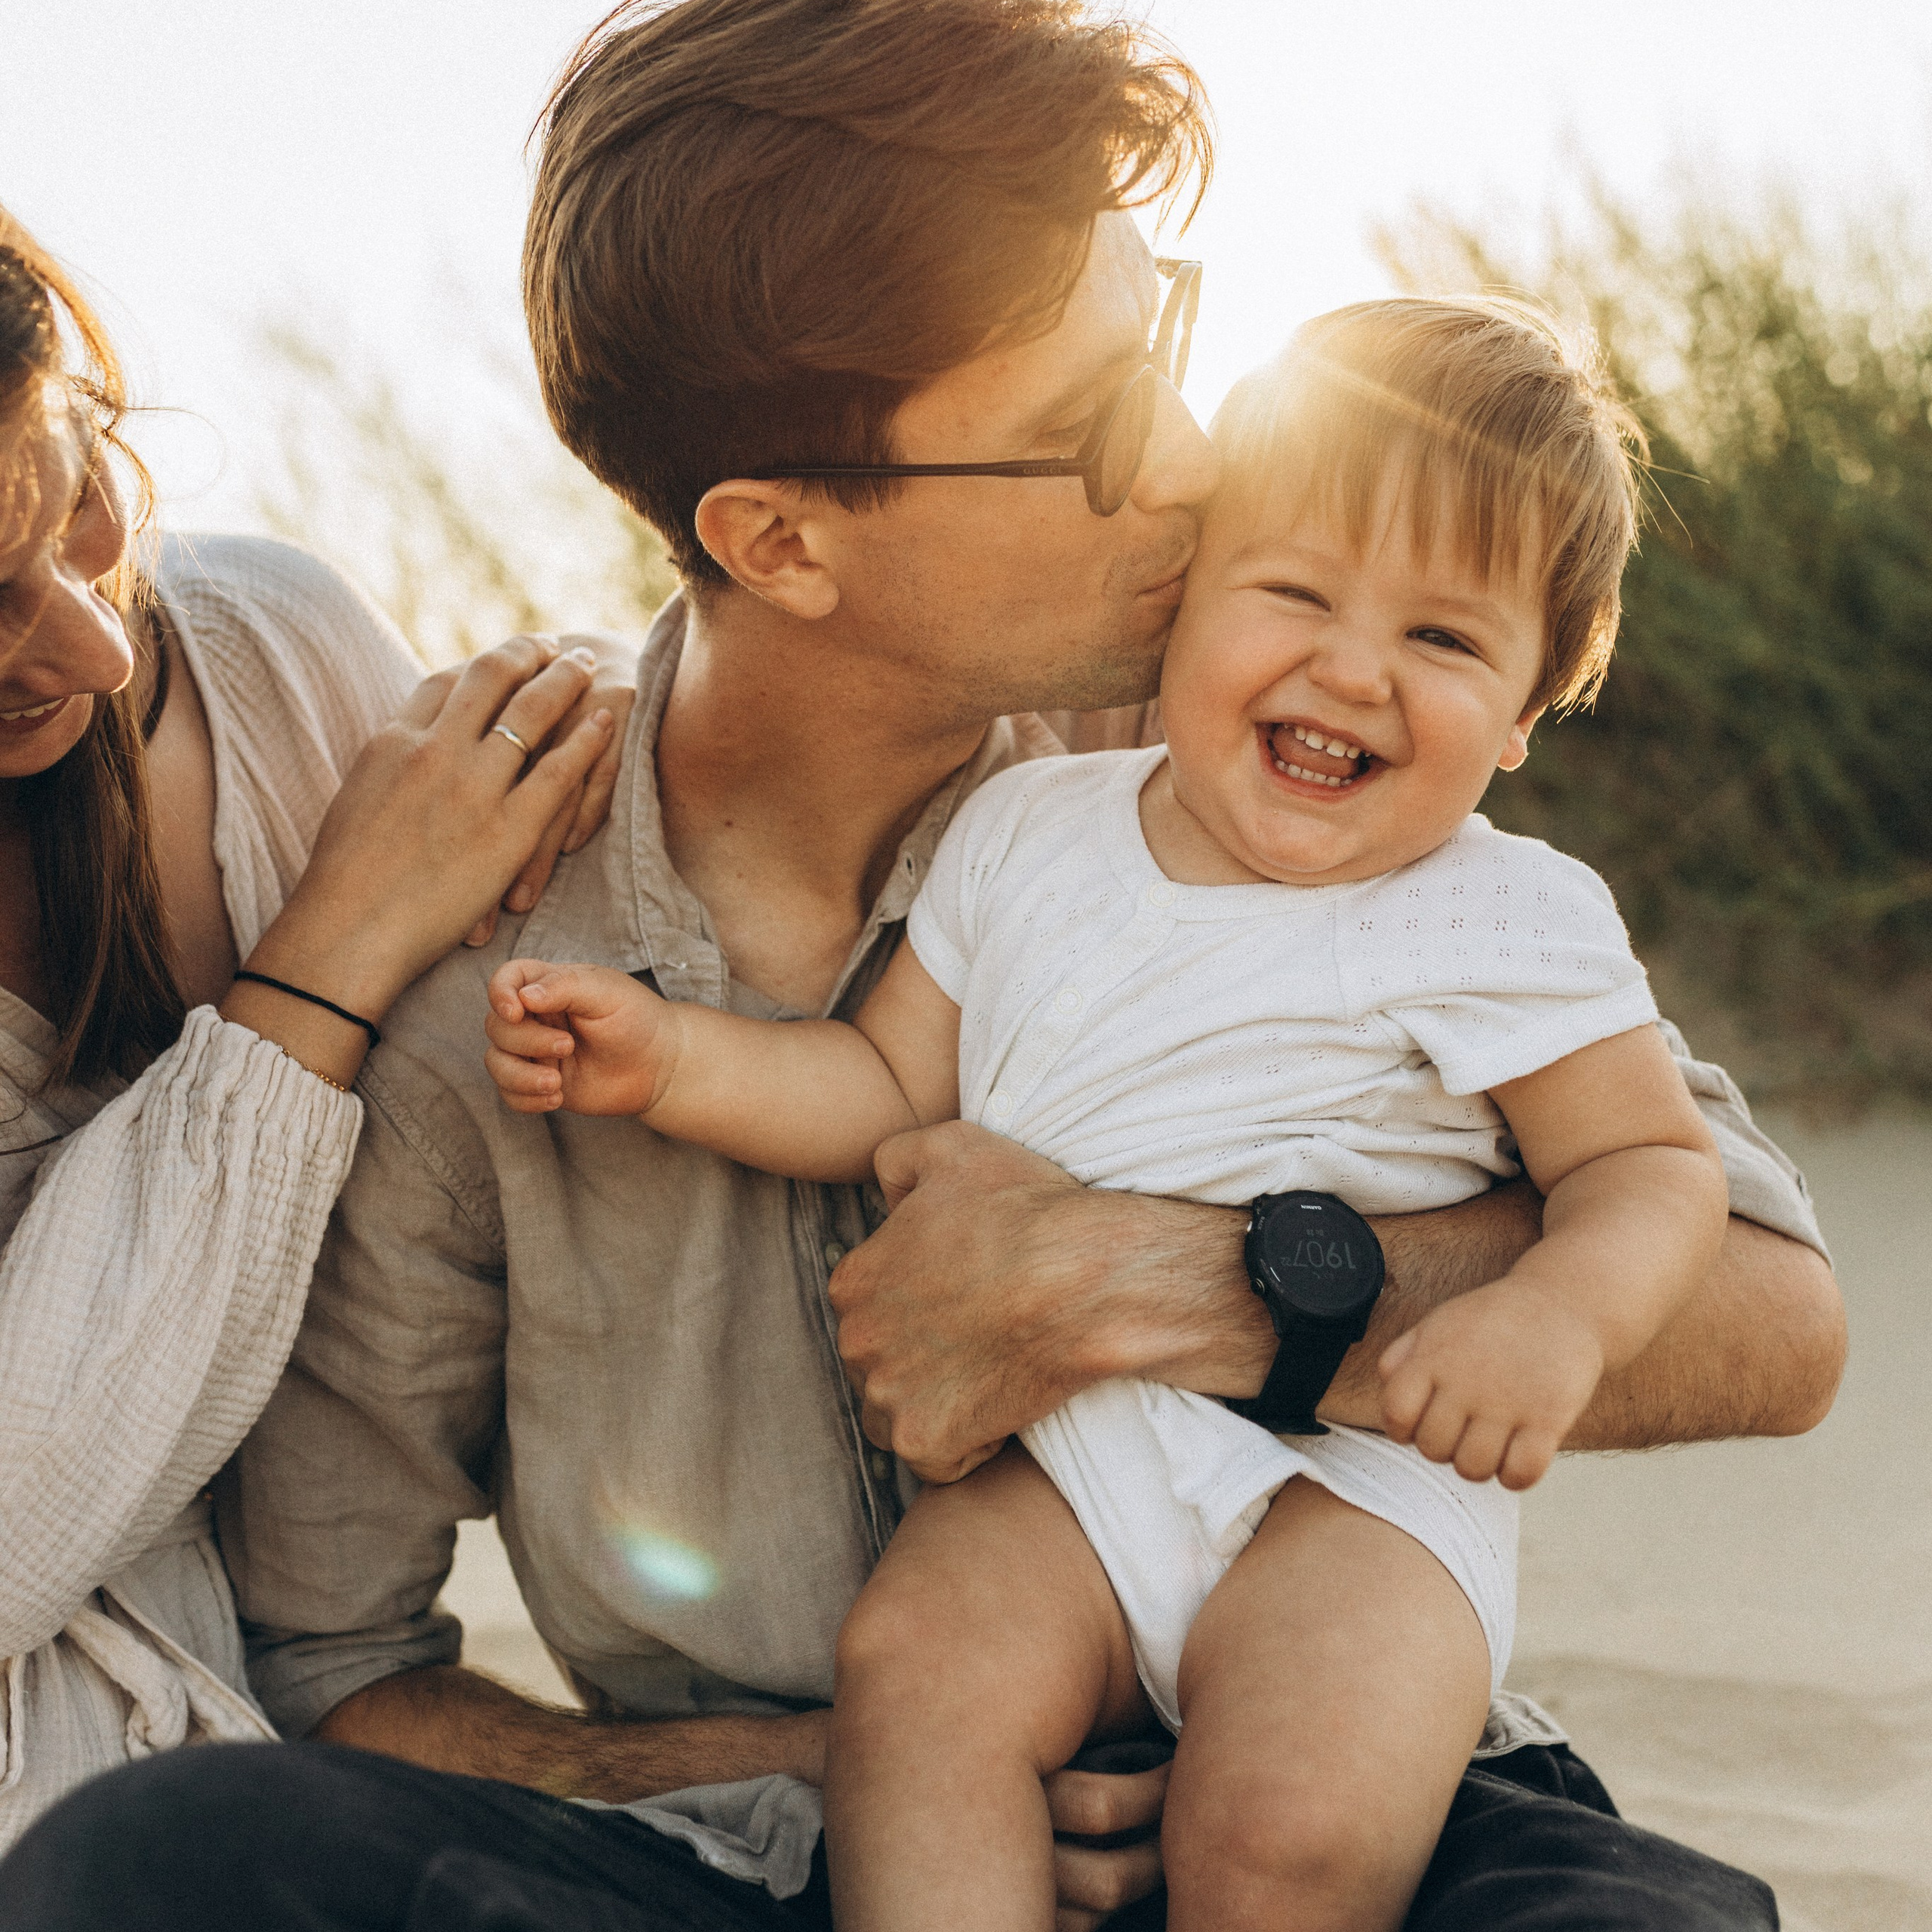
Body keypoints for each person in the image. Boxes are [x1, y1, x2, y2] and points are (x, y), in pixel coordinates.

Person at [0, 4, 1841, 1928]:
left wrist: (1204, 1286)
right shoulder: (500, 977)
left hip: (1338, 1769)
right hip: (781, 1837)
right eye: (1094, 426)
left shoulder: (1262, 769)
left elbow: (1769, 1314)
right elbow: (340, 1671)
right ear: (780, 538)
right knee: (155, 1868)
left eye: (1176, 353)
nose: (1200, 462)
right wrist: (847, 1765)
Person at [478, 295, 1730, 1932]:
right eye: (1292, 591)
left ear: (1519, 712)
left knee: (1284, 1825)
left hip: (1348, 1488)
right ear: (1184, 600)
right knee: (914, 1680)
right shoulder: (1028, 831)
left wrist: (1554, 1322)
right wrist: (672, 1059)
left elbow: (1645, 1164)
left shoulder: (1507, 915)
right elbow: (873, 1082)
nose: (1350, 666)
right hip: (1049, 1472)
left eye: (1443, 639)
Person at [0, 205, 638, 1854]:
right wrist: (327, 954)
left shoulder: (264, 654)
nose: (89, 636)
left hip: (335, 1733)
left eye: (77, 499)